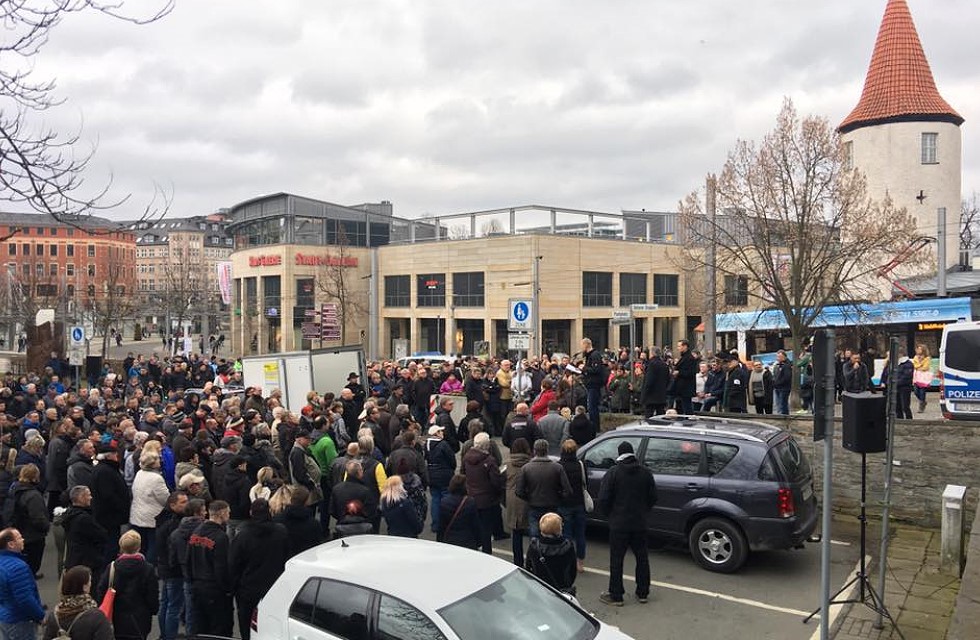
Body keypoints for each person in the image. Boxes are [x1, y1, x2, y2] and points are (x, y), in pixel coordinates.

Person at [597, 441, 657, 607]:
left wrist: (610, 515)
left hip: (619, 523)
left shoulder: (613, 473)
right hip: (640, 523)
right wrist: (644, 511)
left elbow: (603, 499)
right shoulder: (645, 473)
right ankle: (642, 592)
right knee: (642, 558)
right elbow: (653, 497)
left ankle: (616, 595)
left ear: (619, 454)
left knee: (617, 560)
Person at [230, 499, 288, 640]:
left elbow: (233, 564)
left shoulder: (243, 536)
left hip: (248, 588)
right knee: (272, 622)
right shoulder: (281, 531)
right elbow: (286, 555)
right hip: (274, 587)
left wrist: (234, 587)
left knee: (246, 623)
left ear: (251, 512)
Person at [95, 530, 158, 640]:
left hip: (117, 618)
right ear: (139, 547)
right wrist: (153, 609)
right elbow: (152, 594)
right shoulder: (148, 569)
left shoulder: (112, 567)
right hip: (140, 619)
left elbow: (101, 590)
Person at [188, 500, 233, 638]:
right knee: (219, 629)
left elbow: (188, 558)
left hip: (197, 586)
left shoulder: (196, 532)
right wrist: (227, 589)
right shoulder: (221, 537)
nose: (229, 515)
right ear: (222, 513)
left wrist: (191, 581)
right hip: (214, 589)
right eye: (228, 512)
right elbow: (221, 567)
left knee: (201, 628)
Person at [515, 439, 572, 539]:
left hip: (534, 506)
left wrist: (529, 498)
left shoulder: (526, 468)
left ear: (534, 451)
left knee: (534, 535)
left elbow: (519, 491)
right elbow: (567, 490)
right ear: (547, 450)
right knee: (553, 532)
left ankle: (536, 553)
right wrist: (558, 498)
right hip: (552, 506)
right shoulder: (557, 467)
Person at [41, 566, 113, 640]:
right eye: (90, 581)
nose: (91, 584)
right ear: (84, 587)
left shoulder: (54, 616)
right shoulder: (97, 617)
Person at [462, 433, 505, 554]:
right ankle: (487, 552)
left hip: (472, 497)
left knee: (474, 525)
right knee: (486, 528)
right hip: (487, 499)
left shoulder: (466, 457)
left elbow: (463, 473)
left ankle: (474, 549)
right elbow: (496, 482)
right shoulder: (490, 461)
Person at [0, 528, 46, 640]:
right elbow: (25, 599)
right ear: (11, 544)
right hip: (21, 621)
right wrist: (41, 616)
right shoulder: (18, 567)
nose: (23, 539)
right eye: (19, 538)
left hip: (5, 617)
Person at [155, 491, 188, 640]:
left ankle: (164, 634)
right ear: (172, 505)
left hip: (164, 567)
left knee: (166, 603)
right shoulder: (174, 524)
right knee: (173, 606)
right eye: (183, 502)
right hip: (173, 569)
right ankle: (170, 636)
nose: (186, 504)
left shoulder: (163, 519)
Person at [7, 464, 49, 577]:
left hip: (20, 531)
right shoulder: (33, 495)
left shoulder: (14, 489)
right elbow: (38, 517)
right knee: (33, 562)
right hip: (33, 536)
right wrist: (46, 526)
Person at [129, 452, 170, 564]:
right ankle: (149, 569)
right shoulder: (156, 478)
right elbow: (165, 498)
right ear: (153, 463)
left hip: (138, 514)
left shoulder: (139, 473)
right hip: (153, 517)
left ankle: (140, 565)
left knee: (142, 545)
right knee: (153, 545)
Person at [524, 513, 578, 596]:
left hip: (539, 588)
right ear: (559, 529)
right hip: (561, 588)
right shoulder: (568, 546)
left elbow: (528, 567)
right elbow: (572, 571)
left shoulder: (534, 546)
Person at [63, 485, 110, 578]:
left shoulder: (70, 515)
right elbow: (101, 535)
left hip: (74, 558)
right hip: (87, 560)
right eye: (88, 495)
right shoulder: (84, 519)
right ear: (81, 498)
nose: (91, 498)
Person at [558, 439, 588, 572]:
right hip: (579, 502)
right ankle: (580, 562)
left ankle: (568, 561)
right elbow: (585, 482)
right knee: (580, 534)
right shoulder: (580, 464)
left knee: (567, 534)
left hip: (564, 504)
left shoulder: (559, 466)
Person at [274, 486, 323, 559]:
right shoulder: (314, 524)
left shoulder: (277, 520)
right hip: (306, 560)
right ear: (306, 501)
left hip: (285, 562)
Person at [504, 438, 531, 567]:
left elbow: (500, 481)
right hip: (528, 498)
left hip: (512, 498)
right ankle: (533, 560)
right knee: (533, 530)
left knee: (516, 533)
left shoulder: (507, 465)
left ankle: (518, 562)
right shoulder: (530, 464)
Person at [436, 474, 482, 550]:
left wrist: (440, 540)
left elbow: (441, 525)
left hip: (450, 540)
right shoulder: (470, 502)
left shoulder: (444, 502)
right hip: (467, 540)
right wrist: (479, 541)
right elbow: (475, 524)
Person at [424, 425, 456, 534]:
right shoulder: (443, 445)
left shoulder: (426, 444)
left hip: (432, 474)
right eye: (440, 431)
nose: (442, 433)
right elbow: (452, 460)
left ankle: (436, 524)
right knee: (446, 498)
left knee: (435, 499)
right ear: (437, 433)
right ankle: (448, 523)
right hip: (444, 475)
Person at [882, 348, 915, 420]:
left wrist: (894, 382)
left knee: (905, 406)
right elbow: (886, 373)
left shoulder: (907, 364)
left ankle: (909, 420)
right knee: (897, 406)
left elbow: (907, 377)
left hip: (904, 388)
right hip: (895, 388)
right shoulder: (892, 363)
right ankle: (900, 420)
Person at [580, 338, 605, 430]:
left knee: (592, 407)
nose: (581, 348)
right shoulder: (588, 356)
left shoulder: (595, 355)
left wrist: (584, 368)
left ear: (586, 345)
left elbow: (596, 370)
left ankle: (595, 427)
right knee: (591, 406)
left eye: (582, 345)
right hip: (590, 384)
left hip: (594, 385)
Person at [641, 348, 670, 416]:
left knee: (649, 416)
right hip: (661, 395)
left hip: (651, 396)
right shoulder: (664, 364)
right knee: (660, 416)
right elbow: (668, 379)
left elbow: (649, 381)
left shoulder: (651, 364)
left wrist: (644, 395)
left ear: (652, 353)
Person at [672, 340, 698, 414]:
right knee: (680, 405)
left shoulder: (690, 358)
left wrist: (679, 372)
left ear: (685, 346)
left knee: (687, 407)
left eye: (679, 346)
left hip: (686, 387)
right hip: (681, 387)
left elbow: (691, 372)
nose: (678, 348)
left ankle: (688, 421)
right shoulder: (684, 357)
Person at [912, 344, 932, 413]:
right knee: (915, 391)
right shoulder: (915, 357)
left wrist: (919, 365)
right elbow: (914, 366)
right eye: (917, 349)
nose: (918, 350)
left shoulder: (927, 358)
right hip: (917, 377)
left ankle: (921, 406)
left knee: (922, 391)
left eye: (920, 349)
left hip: (924, 378)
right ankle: (923, 402)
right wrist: (920, 364)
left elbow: (925, 367)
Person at [771, 351, 793, 415]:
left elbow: (787, 377)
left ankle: (784, 416)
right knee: (778, 403)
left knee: (782, 403)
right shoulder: (778, 364)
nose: (778, 358)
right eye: (777, 356)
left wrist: (777, 383)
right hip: (778, 387)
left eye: (779, 356)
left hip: (784, 388)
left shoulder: (787, 365)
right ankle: (781, 415)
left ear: (784, 357)